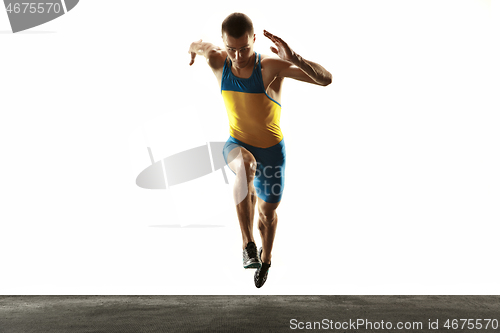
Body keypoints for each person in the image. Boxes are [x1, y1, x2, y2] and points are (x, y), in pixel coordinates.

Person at [188, 13, 332, 288]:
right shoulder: (218, 59)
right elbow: (199, 45)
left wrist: (295, 58)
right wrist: (192, 49)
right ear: (223, 44)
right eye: (231, 49)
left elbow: (325, 80)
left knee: (267, 215)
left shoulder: (269, 66)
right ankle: (247, 245)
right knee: (245, 165)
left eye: (244, 48)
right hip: (238, 144)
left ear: (254, 40)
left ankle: (266, 258)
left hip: (273, 154)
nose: (238, 56)